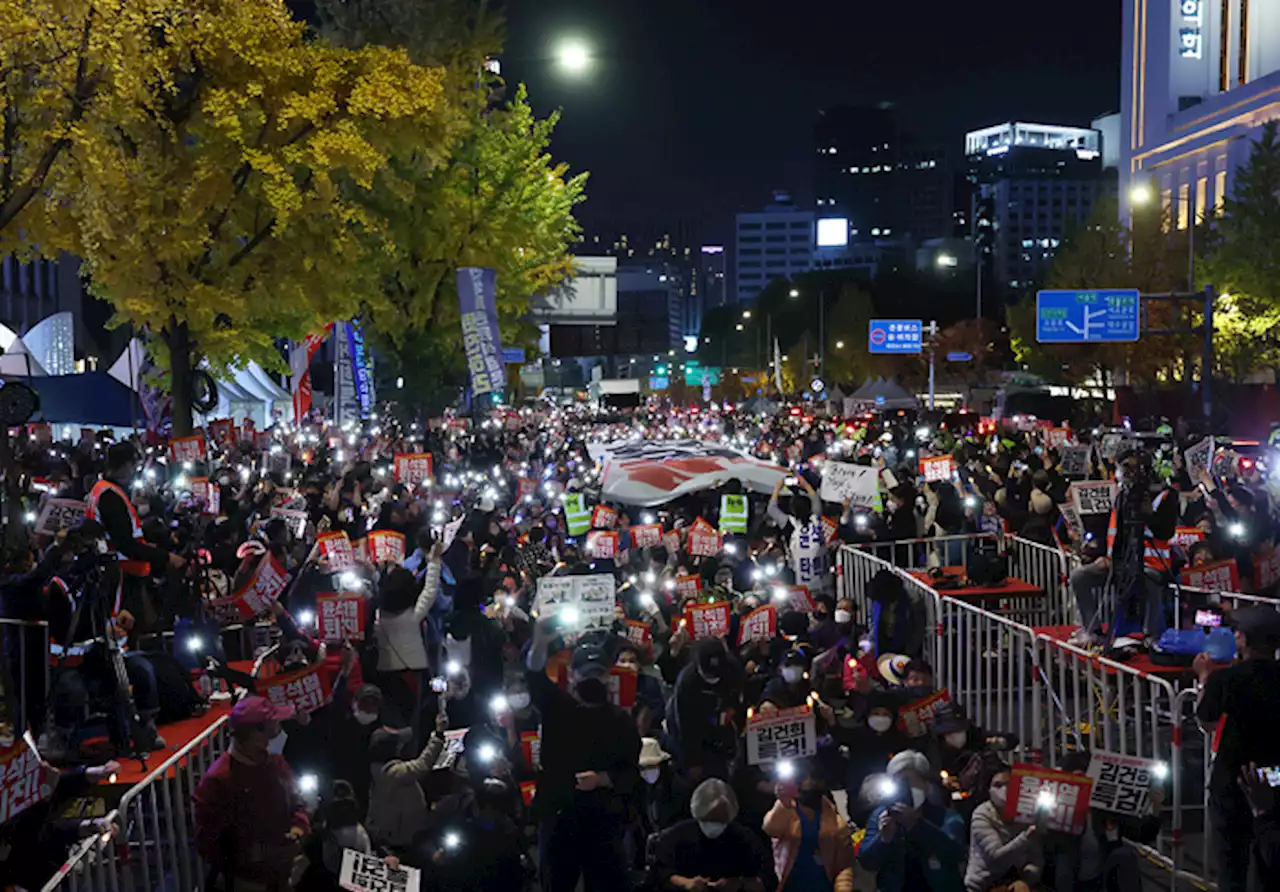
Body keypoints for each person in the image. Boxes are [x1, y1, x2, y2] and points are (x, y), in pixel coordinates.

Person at [525, 621, 642, 892]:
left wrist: (604, 778)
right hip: (559, 818)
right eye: (585, 674)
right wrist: (540, 640)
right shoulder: (557, 708)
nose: (592, 680)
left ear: (607, 676)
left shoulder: (620, 721)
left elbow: (631, 773)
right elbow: (533, 674)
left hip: (602, 821)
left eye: (597, 674)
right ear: (573, 675)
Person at [1194, 606, 1280, 892]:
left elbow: (1206, 718)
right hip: (1274, 779)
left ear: (1243, 639)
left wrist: (1204, 678)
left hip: (1232, 781)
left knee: (1232, 871)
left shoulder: (1227, 679)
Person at [193, 696, 311, 891]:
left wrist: (297, 830)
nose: (277, 731)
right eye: (272, 725)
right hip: (246, 883)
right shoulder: (218, 781)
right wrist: (255, 854)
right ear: (252, 734)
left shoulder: (277, 764)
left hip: (281, 877)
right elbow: (208, 844)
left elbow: (297, 803)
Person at [857, 750, 966, 892]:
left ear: (926, 785)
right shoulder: (881, 815)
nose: (904, 789)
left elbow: (956, 852)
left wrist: (917, 824)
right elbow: (866, 861)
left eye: (909, 782)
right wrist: (883, 839)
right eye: (898, 783)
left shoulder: (946, 817)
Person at [651, 778, 775, 892]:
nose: (714, 826)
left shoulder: (745, 839)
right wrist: (685, 883)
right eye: (708, 820)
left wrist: (740, 883)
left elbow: (767, 877)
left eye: (720, 821)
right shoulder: (677, 835)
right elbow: (660, 871)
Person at [762, 762, 855, 892]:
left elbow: (844, 865)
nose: (809, 783)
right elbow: (770, 829)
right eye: (803, 779)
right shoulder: (787, 811)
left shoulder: (837, 824)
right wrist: (782, 804)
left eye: (814, 779)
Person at [365, 713, 447, 852]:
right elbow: (423, 765)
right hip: (403, 840)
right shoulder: (392, 773)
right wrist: (438, 735)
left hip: (396, 831)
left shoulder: (377, 769)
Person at [963, 768, 1043, 892]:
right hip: (984, 885)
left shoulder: (1025, 813)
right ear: (989, 789)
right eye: (998, 785)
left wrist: (1025, 880)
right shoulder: (982, 814)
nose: (1004, 789)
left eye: (1009, 784)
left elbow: (1036, 858)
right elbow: (997, 859)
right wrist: (1026, 838)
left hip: (1018, 882)